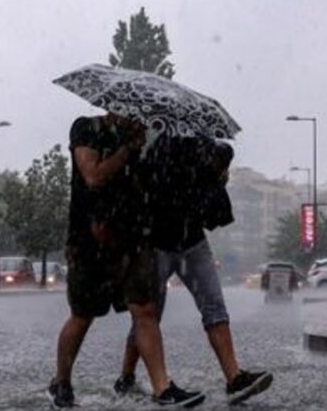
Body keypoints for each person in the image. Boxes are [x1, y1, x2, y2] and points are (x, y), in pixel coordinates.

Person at [47, 113, 205, 409]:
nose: (132, 117)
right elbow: (93, 176)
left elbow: (145, 185)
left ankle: (162, 388)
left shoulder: (138, 139)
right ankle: (62, 382)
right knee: (83, 315)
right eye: (127, 112)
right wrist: (127, 150)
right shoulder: (86, 128)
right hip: (89, 242)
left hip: (132, 239)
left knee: (144, 310)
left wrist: (144, 153)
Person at [114, 137, 273, 405]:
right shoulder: (157, 151)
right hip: (156, 244)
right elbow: (143, 194)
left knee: (214, 306)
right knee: (148, 316)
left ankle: (234, 378)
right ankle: (128, 377)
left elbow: (214, 213)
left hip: (193, 242)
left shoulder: (203, 151)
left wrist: (218, 177)